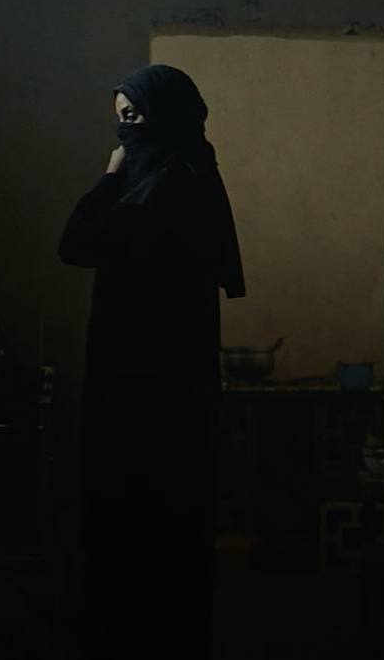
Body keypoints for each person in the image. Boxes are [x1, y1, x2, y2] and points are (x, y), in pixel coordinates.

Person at [59, 64, 246, 659]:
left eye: (134, 117)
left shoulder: (167, 188)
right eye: (121, 119)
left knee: (138, 521)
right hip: (163, 390)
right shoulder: (187, 177)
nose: (125, 133)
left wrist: (109, 175)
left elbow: (76, 242)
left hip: (144, 395)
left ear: (165, 117)